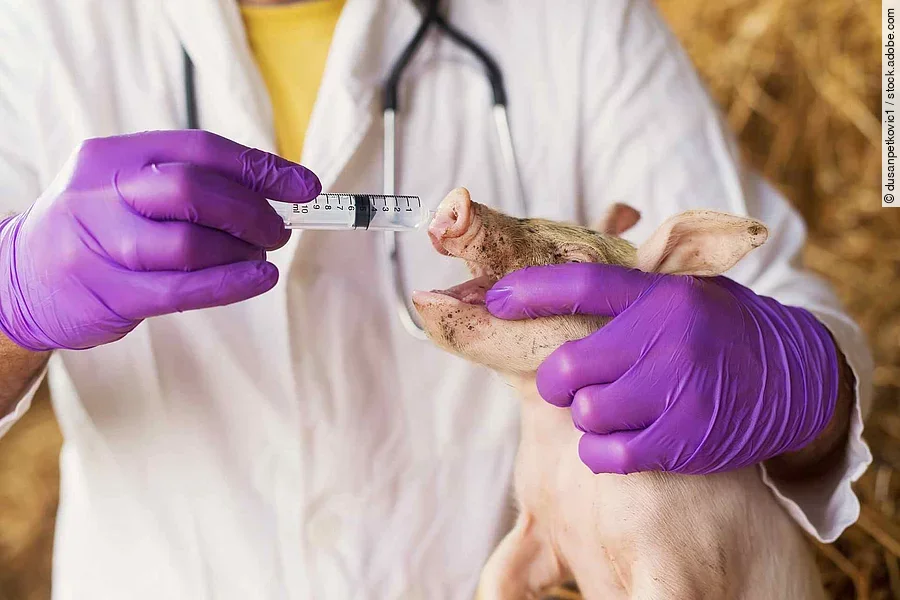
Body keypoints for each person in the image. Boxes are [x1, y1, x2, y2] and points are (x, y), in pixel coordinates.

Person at [0, 0, 872, 598]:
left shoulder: (579, 20)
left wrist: (801, 380)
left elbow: (774, 291)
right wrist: (13, 301)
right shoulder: (38, 29)